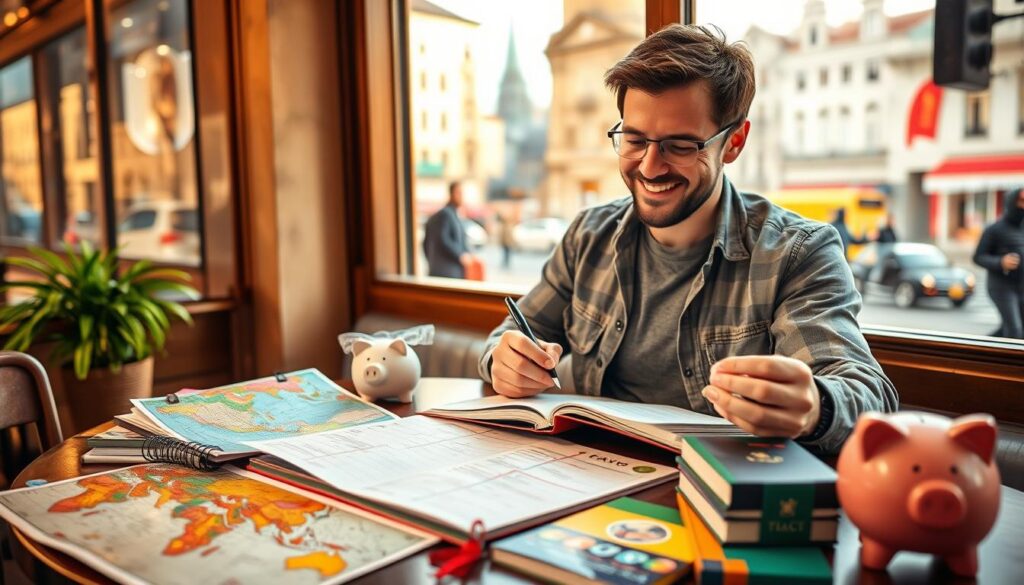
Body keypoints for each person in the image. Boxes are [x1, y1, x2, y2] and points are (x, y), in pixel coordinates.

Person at [476, 24, 897, 454]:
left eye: (679, 146)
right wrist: (503, 361)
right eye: (635, 140)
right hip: (585, 480)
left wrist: (814, 408)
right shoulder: (588, 235)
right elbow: (511, 333)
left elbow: (866, 394)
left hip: (715, 496)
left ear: (733, 142)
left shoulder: (796, 253)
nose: (650, 167)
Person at [973, 189, 1024, 339]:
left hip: (1021, 287)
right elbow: (978, 257)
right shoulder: (994, 229)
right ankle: (1012, 362)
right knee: (1015, 330)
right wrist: (1001, 262)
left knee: (1011, 329)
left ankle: (980, 349)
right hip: (1002, 288)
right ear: (1011, 202)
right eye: (1021, 201)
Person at [423, 181, 473, 278]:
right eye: (459, 193)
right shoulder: (445, 215)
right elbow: (443, 239)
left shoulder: (455, 215)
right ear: (451, 194)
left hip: (451, 272)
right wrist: (460, 255)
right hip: (446, 273)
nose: (462, 197)